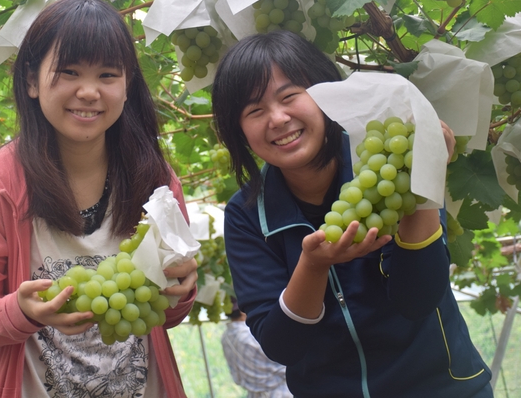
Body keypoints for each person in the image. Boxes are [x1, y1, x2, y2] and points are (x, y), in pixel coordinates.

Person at [211, 30, 493, 398]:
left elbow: (419, 299)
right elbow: (283, 346)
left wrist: (423, 182)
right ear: (239, 132)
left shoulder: (384, 165)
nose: (277, 119)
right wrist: (313, 267)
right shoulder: (246, 215)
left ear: (326, 93)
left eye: (290, 96)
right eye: (254, 111)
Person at [0, 0, 198, 398]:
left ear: (127, 84)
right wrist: (21, 310)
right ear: (31, 81)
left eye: (107, 75)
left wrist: (181, 288)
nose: (88, 92)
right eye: (69, 72)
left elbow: (166, 316)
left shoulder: (156, 181)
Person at [221, 301, 293, 398]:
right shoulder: (251, 336)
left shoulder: (225, 337)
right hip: (279, 393)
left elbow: (236, 377)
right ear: (242, 311)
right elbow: (286, 362)